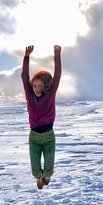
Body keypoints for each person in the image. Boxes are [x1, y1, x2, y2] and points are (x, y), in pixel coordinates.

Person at [21, 45, 62, 189]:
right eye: (35, 86)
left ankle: (47, 176)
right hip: (34, 138)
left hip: (49, 137)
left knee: (49, 169)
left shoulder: (50, 95)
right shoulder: (29, 96)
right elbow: (24, 76)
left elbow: (57, 76)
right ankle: (39, 178)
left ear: (45, 86)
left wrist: (57, 55)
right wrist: (26, 57)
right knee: (35, 171)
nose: (37, 89)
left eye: (40, 86)